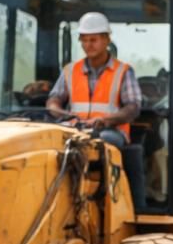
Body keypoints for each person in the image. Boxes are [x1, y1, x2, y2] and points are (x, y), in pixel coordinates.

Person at [47, 12, 141, 151]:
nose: (88, 45)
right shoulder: (70, 70)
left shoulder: (123, 71)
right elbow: (54, 100)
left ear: (106, 40)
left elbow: (133, 108)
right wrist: (60, 112)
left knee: (101, 142)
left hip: (111, 131)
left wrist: (106, 120)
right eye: (84, 40)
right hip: (75, 130)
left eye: (93, 40)